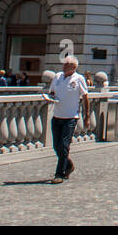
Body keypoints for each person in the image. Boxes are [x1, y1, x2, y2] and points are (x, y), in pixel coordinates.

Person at [46, 55, 90, 184]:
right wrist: (49, 97)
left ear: (74, 67)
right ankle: (68, 164)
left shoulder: (79, 78)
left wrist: (86, 116)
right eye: (64, 63)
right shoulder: (57, 76)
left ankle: (59, 174)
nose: (64, 66)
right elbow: (52, 92)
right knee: (56, 146)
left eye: (67, 64)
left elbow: (85, 97)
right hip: (57, 115)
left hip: (71, 117)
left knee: (64, 145)